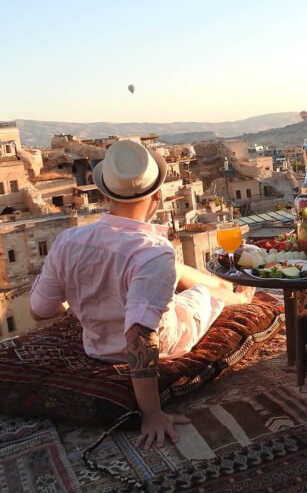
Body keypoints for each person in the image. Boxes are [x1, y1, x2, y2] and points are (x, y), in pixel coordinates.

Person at [30, 140, 255, 449]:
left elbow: (41, 310)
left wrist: (77, 294)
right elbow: (140, 334)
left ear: (105, 193)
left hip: (96, 347)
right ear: (158, 195)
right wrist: (151, 413)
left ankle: (218, 289)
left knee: (168, 272)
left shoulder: (68, 240)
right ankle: (239, 298)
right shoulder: (153, 252)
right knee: (204, 292)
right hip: (165, 343)